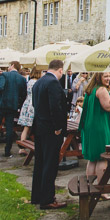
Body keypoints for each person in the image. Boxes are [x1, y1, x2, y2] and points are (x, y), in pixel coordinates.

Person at [31, 59, 67, 209]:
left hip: (39, 126)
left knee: (40, 162)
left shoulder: (39, 82)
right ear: (60, 70)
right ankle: (47, 199)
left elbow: (35, 104)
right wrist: (58, 127)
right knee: (50, 164)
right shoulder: (52, 83)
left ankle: (37, 195)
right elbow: (55, 107)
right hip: (51, 129)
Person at [79, 72, 110, 183]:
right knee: (103, 158)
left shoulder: (92, 89)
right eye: (105, 76)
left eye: (109, 76)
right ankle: (101, 187)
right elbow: (108, 107)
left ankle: (89, 187)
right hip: (101, 127)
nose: (108, 78)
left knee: (93, 159)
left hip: (92, 126)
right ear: (99, 77)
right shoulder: (101, 90)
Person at [0, 61, 26, 158]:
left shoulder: (5, 75)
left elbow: (0, 88)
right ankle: (7, 150)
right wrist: (18, 103)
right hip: (12, 106)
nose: (8, 67)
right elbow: (23, 94)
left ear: (12, 65)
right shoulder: (22, 78)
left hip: (1, 104)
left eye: (9, 65)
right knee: (9, 128)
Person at [18, 69, 41, 152]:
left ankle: (21, 148)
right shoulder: (37, 83)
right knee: (35, 127)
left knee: (26, 127)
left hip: (27, 103)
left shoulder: (29, 81)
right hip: (33, 104)